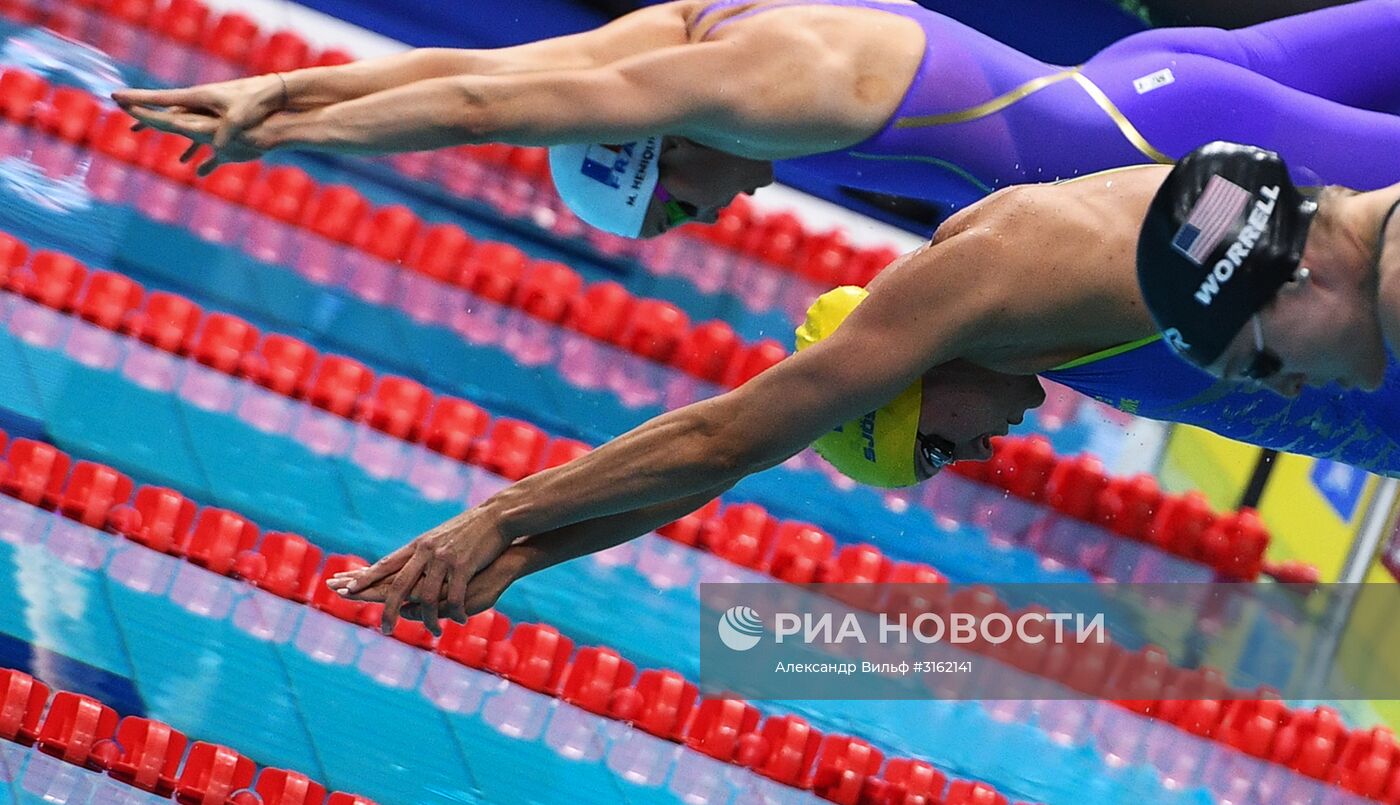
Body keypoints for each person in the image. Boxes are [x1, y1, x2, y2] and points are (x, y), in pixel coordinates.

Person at [321, 141, 1398, 634]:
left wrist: (496, 515)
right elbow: (727, 468)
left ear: (898, 385)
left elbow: (726, 439)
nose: (976, 457)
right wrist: (521, 557)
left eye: (935, 448)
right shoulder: (1008, 323)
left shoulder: (976, 281)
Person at [114, 0, 1400, 237]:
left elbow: (480, 101)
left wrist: (279, 122)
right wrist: (289, 84)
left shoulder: (752, 90)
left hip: (1157, 143)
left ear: (652, 148)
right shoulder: (705, 23)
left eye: (681, 203)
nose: (723, 206)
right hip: (1157, 77)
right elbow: (488, 58)